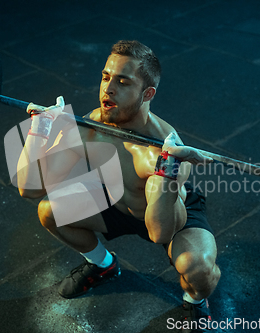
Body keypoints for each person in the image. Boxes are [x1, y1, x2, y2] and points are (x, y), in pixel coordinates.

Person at [16, 40, 221, 333]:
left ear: (147, 93)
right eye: (105, 77)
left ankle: (195, 301)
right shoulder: (91, 126)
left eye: (123, 82)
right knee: (50, 211)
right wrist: (40, 130)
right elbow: (29, 188)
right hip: (116, 201)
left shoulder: (161, 150)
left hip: (169, 215)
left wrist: (168, 171)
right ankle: (103, 265)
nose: (107, 89)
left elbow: (159, 231)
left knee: (198, 269)